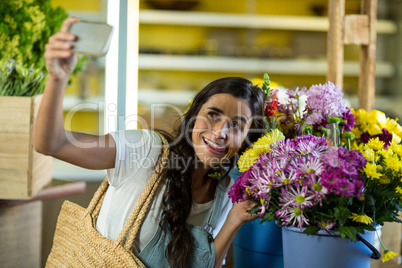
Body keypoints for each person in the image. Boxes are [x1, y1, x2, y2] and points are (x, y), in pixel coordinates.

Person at [34, 17, 266, 268]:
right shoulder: (145, 150)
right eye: (213, 115)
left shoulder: (226, 192)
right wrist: (57, 77)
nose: (221, 132)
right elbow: (53, 144)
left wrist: (234, 220)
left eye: (236, 125)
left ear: (245, 139)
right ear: (194, 116)